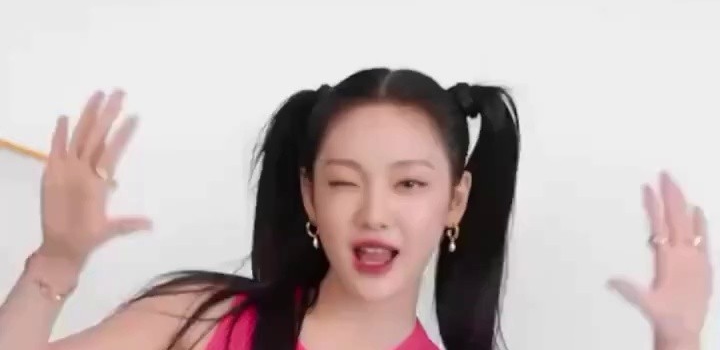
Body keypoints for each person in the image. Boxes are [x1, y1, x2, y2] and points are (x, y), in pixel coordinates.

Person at [0, 68, 712, 350]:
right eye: (344, 183)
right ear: (310, 194)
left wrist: (680, 341)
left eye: (409, 185)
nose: (374, 213)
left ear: (455, 200)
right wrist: (54, 263)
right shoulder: (200, 320)